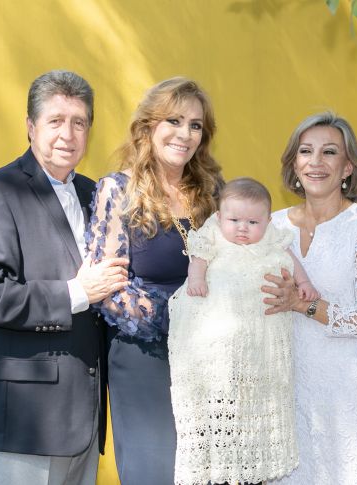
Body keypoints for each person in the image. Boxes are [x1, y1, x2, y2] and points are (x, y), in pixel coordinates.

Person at [0, 70, 129, 485]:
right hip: (20, 417)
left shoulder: (96, 193)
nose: (67, 133)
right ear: (31, 127)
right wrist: (76, 292)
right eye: (55, 121)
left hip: (83, 417)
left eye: (79, 122)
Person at [85, 77, 223, 485]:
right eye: (174, 120)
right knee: (156, 473)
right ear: (148, 126)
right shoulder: (118, 190)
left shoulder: (212, 192)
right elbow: (108, 289)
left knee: (204, 474)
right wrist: (180, 313)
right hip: (143, 360)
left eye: (196, 125)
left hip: (206, 359)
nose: (185, 134)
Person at [168, 177, 319, 485]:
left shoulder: (272, 240)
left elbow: (292, 262)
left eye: (253, 221)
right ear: (220, 217)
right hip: (220, 346)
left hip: (260, 342)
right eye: (234, 220)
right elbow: (199, 259)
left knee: (257, 399)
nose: (242, 228)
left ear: (267, 220)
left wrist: (304, 284)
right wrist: (197, 278)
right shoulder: (212, 235)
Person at [262, 112, 357, 484]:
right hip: (280, 392)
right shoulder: (269, 225)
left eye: (329, 152)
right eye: (306, 151)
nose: (315, 162)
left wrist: (304, 305)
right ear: (294, 164)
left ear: (348, 167)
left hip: (343, 393)